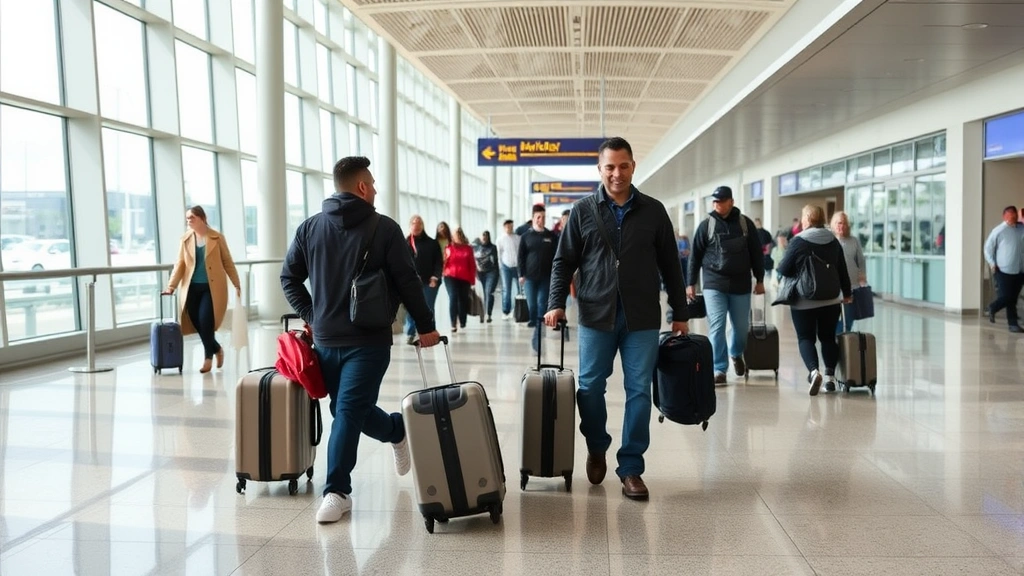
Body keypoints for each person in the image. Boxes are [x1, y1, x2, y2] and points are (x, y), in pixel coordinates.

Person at [280, 156, 440, 524]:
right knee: (346, 411)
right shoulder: (384, 228)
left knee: (348, 411)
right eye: (374, 185)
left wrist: (310, 315)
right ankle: (398, 430)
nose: (376, 191)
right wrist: (425, 323)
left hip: (359, 345)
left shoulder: (309, 228)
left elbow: (288, 278)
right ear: (362, 187)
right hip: (347, 338)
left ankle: (337, 491)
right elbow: (407, 281)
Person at [544, 136, 689, 501]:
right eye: (610, 166)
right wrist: (555, 302)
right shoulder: (582, 211)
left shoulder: (653, 211)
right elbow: (564, 262)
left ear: (633, 166)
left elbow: (672, 265)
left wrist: (681, 313)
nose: (617, 173)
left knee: (639, 390)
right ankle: (596, 445)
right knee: (591, 387)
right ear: (600, 169)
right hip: (595, 313)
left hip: (641, 316)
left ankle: (631, 468)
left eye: (623, 166)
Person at [687, 186, 765, 385]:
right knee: (717, 326)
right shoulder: (707, 225)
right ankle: (719, 369)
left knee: (740, 328)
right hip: (714, 283)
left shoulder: (745, 224)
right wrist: (690, 283)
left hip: (741, 284)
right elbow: (695, 256)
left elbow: (756, 253)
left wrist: (760, 280)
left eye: (721, 201)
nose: (717, 204)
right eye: (714, 201)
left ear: (731, 201)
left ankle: (736, 353)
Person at [776, 205, 852, 395]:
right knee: (827, 338)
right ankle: (830, 378)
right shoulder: (833, 241)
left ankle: (813, 371)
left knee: (805, 338)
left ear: (808, 219)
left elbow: (784, 269)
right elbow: (842, 269)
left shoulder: (798, 242)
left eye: (803, 217)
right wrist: (847, 293)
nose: (802, 220)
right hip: (831, 300)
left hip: (804, 301)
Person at [163, 206, 241, 374]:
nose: (189, 221)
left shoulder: (217, 238)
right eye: (187, 218)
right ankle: (217, 348)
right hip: (190, 288)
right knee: (195, 321)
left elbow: (227, 261)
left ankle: (208, 358)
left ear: (202, 218)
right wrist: (171, 286)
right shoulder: (185, 239)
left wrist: (236, 283)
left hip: (211, 289)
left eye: (192, 217)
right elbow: (180, 264)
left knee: (206, 321)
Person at [518, 204, 558, 352]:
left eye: (543, 217)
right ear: (533, 218)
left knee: (542, 305)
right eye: (538, 217)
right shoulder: (526, 237)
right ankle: (536, 326)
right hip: (529, 278)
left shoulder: (551, 236)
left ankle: (537, 336)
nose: (541, 220)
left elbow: (556, 257)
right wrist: (521, 274)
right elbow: (521, 257)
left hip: (546, 278)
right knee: (533, 307)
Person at [983, 205, 1024, 333]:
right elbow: (988, 248)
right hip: (1003, 270)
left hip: (1020, 269)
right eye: (1011, 215)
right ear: (1004, 216)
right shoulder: (998, 231)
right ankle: (997, 310)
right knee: (1007, 296)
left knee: (1013, 297)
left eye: (1015, 215)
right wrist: (991, 263)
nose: (1014, 217)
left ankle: (1011, 323)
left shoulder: (1021, 229)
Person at [404, 215, 443, 344]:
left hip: (429, 282)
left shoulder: (431, 243)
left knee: (428, 306)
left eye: (419, 223)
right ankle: (410, 333)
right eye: (414, 223)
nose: (417, 225)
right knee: (411, 307)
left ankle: (430, 331)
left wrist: (435, 277)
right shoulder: (404, 243)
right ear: (410, 226)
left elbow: (438, 262)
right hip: (411, 282)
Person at [830, 211, 867, 334]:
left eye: (844, 223)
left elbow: (860, 261)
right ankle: (834, 338)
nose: (841, 226)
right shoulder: (829, 241)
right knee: (832, 317)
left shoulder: (854, 241)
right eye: (839, 223)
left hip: (851, 286)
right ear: (833, 225)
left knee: (849, 317)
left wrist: (862, 277)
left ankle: (840, 337)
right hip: (833, 287)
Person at [443, 227, 476, 332]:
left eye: (458, 234)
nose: (455, 236)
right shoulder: (448, 247)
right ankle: (453, 322)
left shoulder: (468, 248)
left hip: (464, 277)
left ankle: (462, 320)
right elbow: (444, 262)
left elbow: (472, 264)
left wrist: (472, 280)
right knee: (453, 297)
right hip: (450, 275)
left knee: (463, 299)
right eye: (454, 235)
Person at [496, 219, 521, 320]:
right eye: (507, 226)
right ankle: (506, 311)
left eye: (510, 226)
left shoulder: (517, 238)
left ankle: (518, 309)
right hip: (505, 266)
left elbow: (520, 252)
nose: (509, 228)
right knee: (506, 289)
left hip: (517, 266)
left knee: (520, 289)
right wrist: (500, 266)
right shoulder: (500, 239)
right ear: (504, 227)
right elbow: (498, 253)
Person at [473, 231, 499, 323]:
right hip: (479, 273)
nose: (484, 237)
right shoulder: (475, 247)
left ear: (488, 237)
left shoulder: (493, 247)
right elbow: (472, 260)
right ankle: (482, 313)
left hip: (491, 272)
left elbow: (495, 262)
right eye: (482, 235)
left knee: (488, 292)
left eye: (486, 236)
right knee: (482, 294)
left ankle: (489, 313)